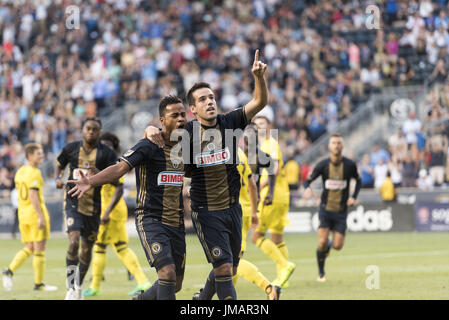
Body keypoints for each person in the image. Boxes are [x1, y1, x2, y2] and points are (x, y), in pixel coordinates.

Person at [145, 49, 269, 300]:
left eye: (211, 97)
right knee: (223, 268)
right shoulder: (186, 132)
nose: (209, 101)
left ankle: (197, 300)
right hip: (206, 210)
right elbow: (159, 131)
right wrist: (149, 129)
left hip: (233, 208)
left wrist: (258, 78)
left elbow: (260, 102)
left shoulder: (230, 121)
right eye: (202, 99)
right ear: (192, 109)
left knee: (231, 266)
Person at [68, 96, 187, 300]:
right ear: (161, 119)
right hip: (151, 219)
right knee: (166, 273)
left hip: (176, 221)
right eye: (174, 115)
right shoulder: (147, 146)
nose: (181, 119)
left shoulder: (185, 143)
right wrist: (91, 181)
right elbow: (120, 168)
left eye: (183, 114)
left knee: (175, 284)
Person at [82, 132, 151, 297]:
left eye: (107, 145)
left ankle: (141, 281)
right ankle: (96, 286)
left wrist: (105, 212)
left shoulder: (114, 162)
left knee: (112, 247)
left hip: (111, 212)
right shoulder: (105, 161)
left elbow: (118, 189)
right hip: (111, 211)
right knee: (106, 247)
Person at [55, 117, 117, 300]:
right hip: (73, 202)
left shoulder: (107, 154)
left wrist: (101, 175)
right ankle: (70, 288)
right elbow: (59, 165)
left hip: (94, 208)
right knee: (73, 242)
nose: (91, 132)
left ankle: (78, 284)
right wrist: (57, 179)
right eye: (88, 128)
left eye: (95, 129)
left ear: (99, 131)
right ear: (82, 129)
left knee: (86, 250)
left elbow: (116, 180)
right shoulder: (71, 149)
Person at [302, 134, 361, 282]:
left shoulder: (349, 165)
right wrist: (308, 188)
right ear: (329, 146)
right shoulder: (322, 165)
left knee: (338, 245)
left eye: (339, 143)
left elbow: (358, 181)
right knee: (321, 242)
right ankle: (321, 272)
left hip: (341, 212)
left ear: (342, 146)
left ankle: (329, 245)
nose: (336, 145)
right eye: (333, 143)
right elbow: (307, 181)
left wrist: (353, 196)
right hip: (325, 209)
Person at [231, 129, 281, 300]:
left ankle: (268, 287)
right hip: (245, 209)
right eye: (245, 140)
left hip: (237, 211)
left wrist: (271, 193)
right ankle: (229, 296)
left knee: (231, 262)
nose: (246, 143)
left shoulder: (238, 156)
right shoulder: (242, 156)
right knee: (232, 258)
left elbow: (273, 168)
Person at [2, 143, 57, 292]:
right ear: (30, 155)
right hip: (34, 214)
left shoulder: (20, 171)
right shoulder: (34, 172)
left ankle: (9, 271)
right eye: (38, 153)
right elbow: (33, 195)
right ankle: (39, 284)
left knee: (30, 247)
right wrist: (41, 216)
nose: (42, 156)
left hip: (23, 213)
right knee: (39, 249)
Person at [251, 113, 296, 289]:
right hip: (282, 194)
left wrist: (262, 187)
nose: (259, 126)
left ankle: (285, 266)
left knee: (256, 236)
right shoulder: (267, 145)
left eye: (263, 123)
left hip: (271, 194)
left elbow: (274, 168)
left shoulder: (269, 144)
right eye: (256, 124)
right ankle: (283, 276)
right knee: (277, 238)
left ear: (269, 127)